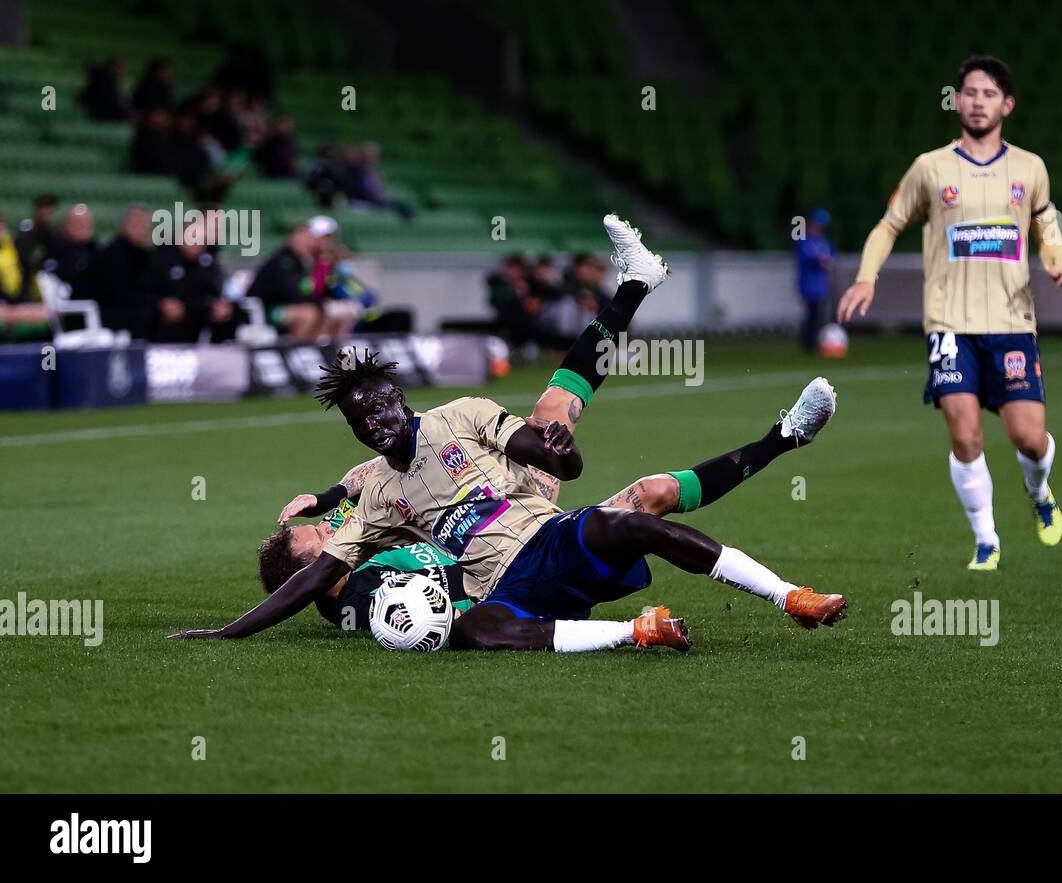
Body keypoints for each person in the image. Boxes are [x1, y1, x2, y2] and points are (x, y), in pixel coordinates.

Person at [171, 216, 846, 650]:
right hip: (509, 554)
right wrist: (234, 628)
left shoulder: (404, 459)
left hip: (517, 490)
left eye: (377, 410)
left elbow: (350, 487)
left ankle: (641, 289)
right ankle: (782, 437)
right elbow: (335, 549)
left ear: (399, 399)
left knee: (575, 427)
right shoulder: (361, 569)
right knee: (655, 490)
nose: (326, 532)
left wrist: (316, 501)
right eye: (317, 539)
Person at [836, 55, 1062, 571]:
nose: (977, 102)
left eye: (989, 94)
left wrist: (1056, 263)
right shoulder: (931, 167)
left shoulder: (1030, 168)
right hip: (949, 325)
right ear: (956, 100)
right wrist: (865, 276)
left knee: (1028, 438)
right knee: (965, 434)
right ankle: (986, 538)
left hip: (1012, 324)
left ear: (1006, 104)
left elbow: (1045, 226)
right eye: (969, 92)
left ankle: (1038, 493)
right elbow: (888, 225)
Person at [144, 213, 243, 343]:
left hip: (196, 319)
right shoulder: (161, 259)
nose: (196, 243)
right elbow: (145, 292)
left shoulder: (207, 264)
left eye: (201, 239)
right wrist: (162, 304)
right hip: (163, 322)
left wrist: (218, 306)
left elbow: (211, 293)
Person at [85, 206, 154, 337]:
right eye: (137, 224)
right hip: (112, 331)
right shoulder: (106, 256)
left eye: (145, 225)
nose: (142, 229)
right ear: (124, 225)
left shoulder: (148, 257)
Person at [795, 207, 837, 352]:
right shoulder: (804, 239)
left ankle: (818, 342)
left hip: (821, 284)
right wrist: (820, 261)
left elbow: (832, 256)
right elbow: (805, 257)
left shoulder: (823, 241)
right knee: (812, 314)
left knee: (819, 314)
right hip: (809, 283)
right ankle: (808, 344)